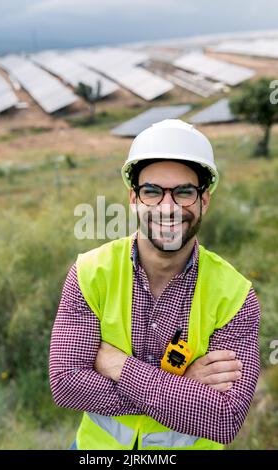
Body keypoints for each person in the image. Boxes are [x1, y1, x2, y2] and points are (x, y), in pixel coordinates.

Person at [49, 119, 260, 450]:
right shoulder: (90, 272)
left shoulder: (235, 296)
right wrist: (181, 386)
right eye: (152, 191)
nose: (168, 207)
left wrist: (115, 364)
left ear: (205, 200)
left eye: (184, 192)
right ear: (134, 198)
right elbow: (66, 384)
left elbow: (224, 417)